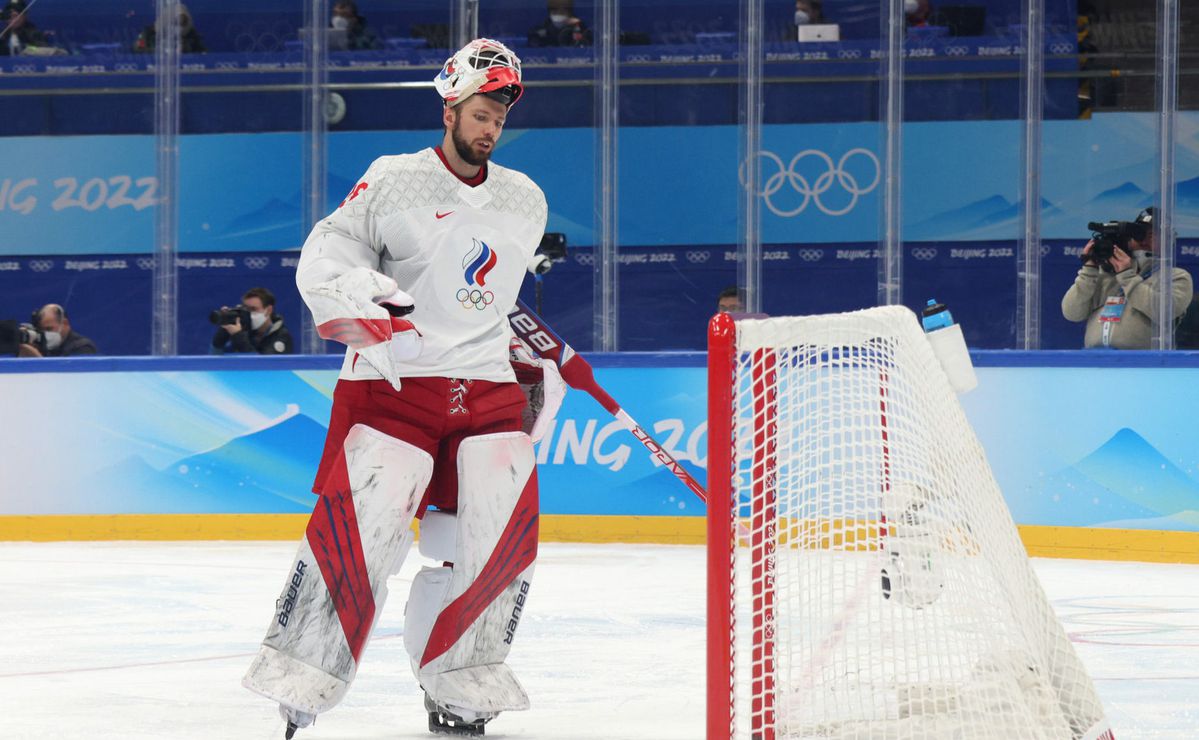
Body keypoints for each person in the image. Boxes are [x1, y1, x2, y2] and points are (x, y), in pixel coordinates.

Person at [242, 38, 561, 739]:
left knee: (493, 534)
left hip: (483, 387)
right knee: (366, 526)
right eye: (479, 113)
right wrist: (355, 289)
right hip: (395, 384)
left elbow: (484, 285)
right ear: (449, 108)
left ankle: (462, 684)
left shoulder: (524, 198)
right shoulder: (394, 179)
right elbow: (332, 251)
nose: (489, 129)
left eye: (498, 120)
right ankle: (305, 677)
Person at [1061, 208, 1193, 349]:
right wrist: (1089, 270)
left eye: (1152, 234)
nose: (1143, 239)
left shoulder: (1175, 276)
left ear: (1168, 241)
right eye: (1139, 233)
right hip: (1096, 360)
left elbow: (1165, 311)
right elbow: (1071, 313)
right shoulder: (1105, 275)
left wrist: (1126, 275)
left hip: (1146, 364)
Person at [210, 287, 294, 355]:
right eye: (245, 308)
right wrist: (221, 337)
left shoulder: (282, 336)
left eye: (253, 309)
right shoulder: (245, 331)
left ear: (268, 310)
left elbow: (263, 368)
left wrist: (239, 337)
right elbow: (215, 362)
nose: (249, 313)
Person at [18, 304, 98, 357]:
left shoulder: (83, 347)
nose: (45, 334)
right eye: (41, 330)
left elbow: (73, 379)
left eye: (49, 329)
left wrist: (38, 359)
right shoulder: (41, 345)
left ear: (65, 323)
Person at [134, 3, 206, 54]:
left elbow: (202, 53)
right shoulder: (148, 32)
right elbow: (138, 49)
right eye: (175, 22)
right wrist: (156, 51)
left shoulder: (191, 34)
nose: (178, 27)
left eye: (182, 24)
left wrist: (185, 49)